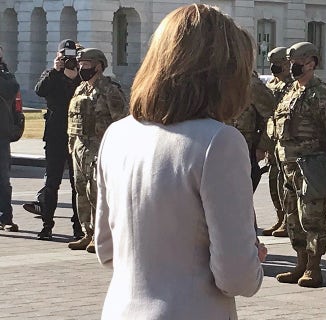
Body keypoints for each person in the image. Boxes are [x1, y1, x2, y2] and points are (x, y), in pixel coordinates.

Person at [94, 5, 265, 319]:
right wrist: (252, 258)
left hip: (120, 308)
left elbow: (106, 250)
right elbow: (236, 276)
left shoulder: (117, 134)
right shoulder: (219, 141)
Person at [273, 41, 326, 288]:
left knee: (312, 218)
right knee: (292, 217)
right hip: (288, 166)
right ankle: (300, 263)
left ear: (312, 64)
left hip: (311, 167)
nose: (292, 68)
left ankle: (314, 268)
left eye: (297, 64)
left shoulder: (323, 93)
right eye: (290, 63)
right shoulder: (289, 92)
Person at [66, 48, 128, 252]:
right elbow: (73, 118)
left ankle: (102, 235)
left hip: (100, 147)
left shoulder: (111, 90)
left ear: (98, 66)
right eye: (80, 64)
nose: (81, 68)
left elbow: (122, 121)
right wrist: (72, 144)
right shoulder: (80, 89)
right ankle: (87, 232)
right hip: (80, 147)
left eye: (85, 64)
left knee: (97, 192)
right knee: (80, 190)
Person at [24, 39, 83, 240]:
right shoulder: (52, 75)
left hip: (77, 136)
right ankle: (47, 225)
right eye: (64, 57)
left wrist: (78, 73)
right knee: (52, 182)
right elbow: (39, 90)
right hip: (55, 135)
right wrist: (55, 70)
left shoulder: (82, 75)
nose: (68, 61)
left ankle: (78, 227)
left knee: (78, 184)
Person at [226, 71, 275, 191]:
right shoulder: (214, 82)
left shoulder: (251, 85)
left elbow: (272, 117)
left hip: (244, 151)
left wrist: (262, 147)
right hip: (219, 150)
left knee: (239, 199)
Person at [262, 46, 293, 237]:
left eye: (279, 64)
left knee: (286, 183)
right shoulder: (271, 85)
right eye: (272, 64)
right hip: (272, 141)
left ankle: (289, 221)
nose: (275, 67)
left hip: (286, 141)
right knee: (274, 181)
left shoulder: (292, 85)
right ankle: (280, 217)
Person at [0, 45, 19, 232]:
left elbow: (11, 89)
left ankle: (6, 217)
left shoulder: (6, 76)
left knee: (3, 180)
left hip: (1, 135)